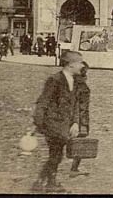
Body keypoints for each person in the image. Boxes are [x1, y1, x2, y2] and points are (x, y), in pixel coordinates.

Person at [32, 51, 84, 193]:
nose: (81, 66)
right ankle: (48, 182)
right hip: (53, 124)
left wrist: (75, 123)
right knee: (56, 154)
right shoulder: (55, 80)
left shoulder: (75, 80)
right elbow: (43, 101)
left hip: (64, 124)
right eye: (79, 62)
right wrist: (39, 123)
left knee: (56, 154)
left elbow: (75, 105)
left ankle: (43, 182)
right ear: (71, 64)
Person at [70, 61, 90, 177]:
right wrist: (76, 122)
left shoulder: (73, 84)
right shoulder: (80, 87)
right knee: (80, 142)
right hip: (80, 119)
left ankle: (74, 168)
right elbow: (77, 105)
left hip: (79, 118)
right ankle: (74, 169)